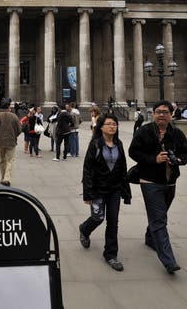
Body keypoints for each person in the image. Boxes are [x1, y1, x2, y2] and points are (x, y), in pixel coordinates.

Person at [129, 100, 187, 274]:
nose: (161, 115)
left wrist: (179, 160)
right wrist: (153, 159)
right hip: (150, 181)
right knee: (159, 219)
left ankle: (150, 237)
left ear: (171, 115)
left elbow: (186, 153)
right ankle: (168, 260)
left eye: (165, 112)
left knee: (161, 214)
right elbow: (133, 151)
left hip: (170, 181)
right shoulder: (144, 131)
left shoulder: (177, 134)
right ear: (153, 114)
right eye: (158, 111)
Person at [79, 114, 131, 271]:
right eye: (109, 124)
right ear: (100, 127)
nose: (112, 126)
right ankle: (84, 229)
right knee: (97, 217)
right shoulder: (95, 145)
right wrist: (87, 193)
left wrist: (125, 190)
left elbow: (123, 168)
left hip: (114, 189)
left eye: (114, 124)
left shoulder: (119, 144)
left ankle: (110, 254)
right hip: (98, 190)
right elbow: (87, 169)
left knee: (113, 221)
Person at [0, 100, 22, 186]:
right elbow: (19, 130)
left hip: (0, 143)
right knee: (10, 161)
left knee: (2, 161)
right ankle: (7, 178)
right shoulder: (14, 116)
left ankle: (3, 178)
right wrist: (14, 135)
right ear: (8, 107)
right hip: (11, 142)